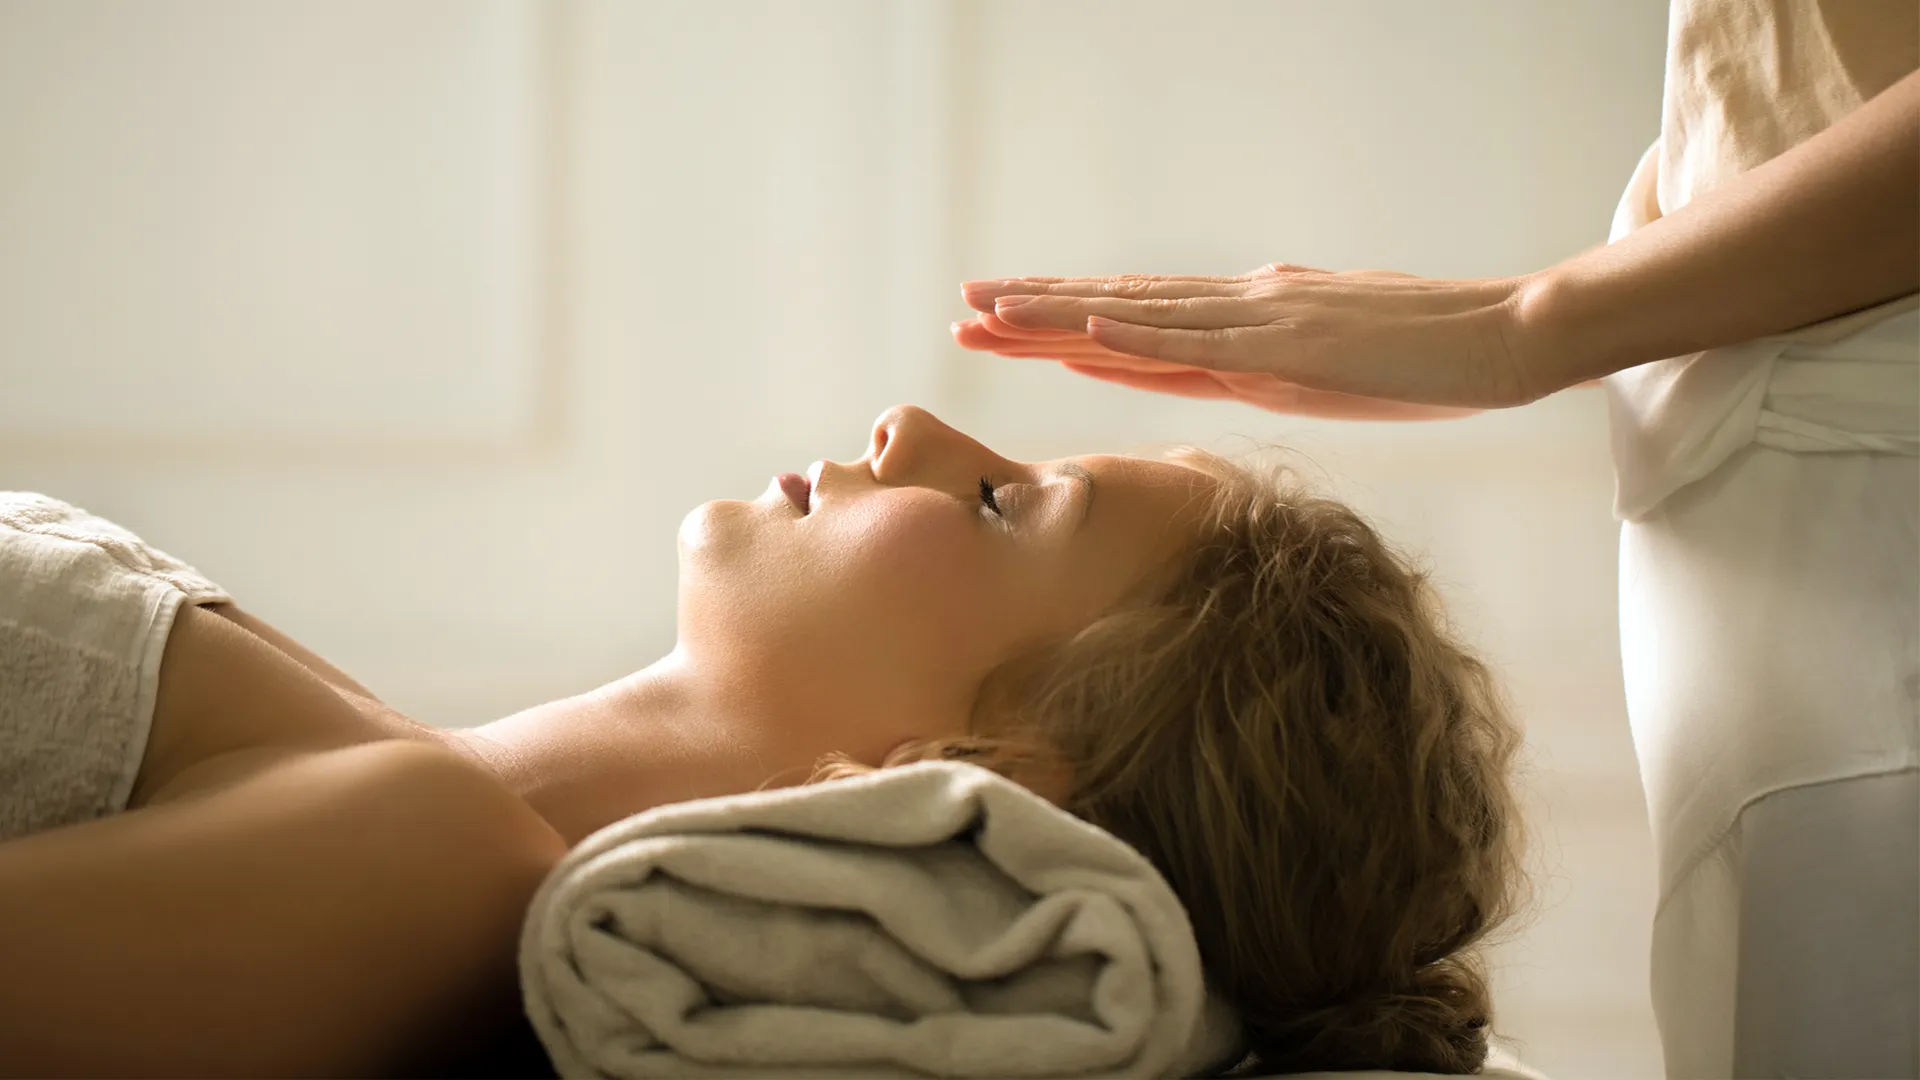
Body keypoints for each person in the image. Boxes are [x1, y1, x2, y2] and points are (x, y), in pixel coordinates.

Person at [952, 6, 1918, 1076]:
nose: (903, 434)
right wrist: (1548, 317)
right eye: (996, 500)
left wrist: (1528, 326)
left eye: (998, 497)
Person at [2, 405, 1522, 1076]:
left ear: (987, 783)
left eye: (1000, 502)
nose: (909, 428)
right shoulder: (385, 783)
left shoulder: (425, 863)